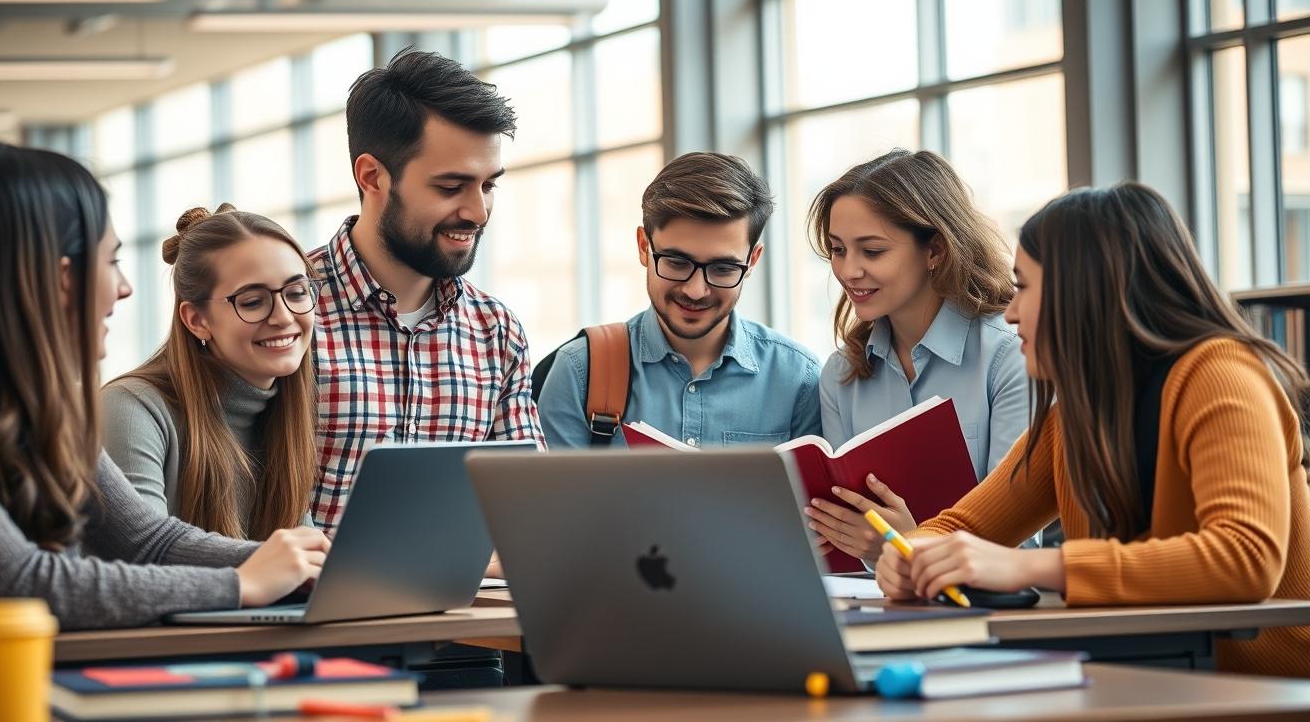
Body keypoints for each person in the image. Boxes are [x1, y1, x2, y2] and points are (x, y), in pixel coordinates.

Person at [876, 182, 1310, 678]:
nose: (1011, 313)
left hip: (1268, 690)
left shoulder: (1220, 375)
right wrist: (912, 557)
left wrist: (1030, 567)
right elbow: (961, 528)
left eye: (1024, 287)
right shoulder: (1073, 419)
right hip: (1150, 678)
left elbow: (1244, 558)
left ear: (1083, 290)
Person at [0, 140, 329, 629]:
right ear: (63, 278)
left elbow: (146, 541)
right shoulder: (121, 405)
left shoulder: (42, 413)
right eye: (111, 262)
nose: (124, 288)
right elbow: (20, 582)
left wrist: (298, 564)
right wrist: (239, 584)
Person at [308, 48, 544, 533]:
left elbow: (528, 512)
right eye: (451, 187)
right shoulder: (287, 312)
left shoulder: (496, 331)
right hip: (309, 583)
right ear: (372, 177)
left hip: (463, 585)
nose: (477, 212)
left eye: (488, 185)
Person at [802, 149, 1030, 567]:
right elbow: (847, 545)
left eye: (872, 251)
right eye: (837, 249)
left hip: (984, 603)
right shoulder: (841, 374)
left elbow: (1020, 542)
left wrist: (910, 543)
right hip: (878, 600)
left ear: (935, 251)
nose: (848, 271)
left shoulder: (1010, 355)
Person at [537, 152, 820, 448]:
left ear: (752, 261)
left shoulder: (799, 380)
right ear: (644, 246)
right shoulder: (578, 372)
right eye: (676, 262)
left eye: (723, 268)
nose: (696, 290)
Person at [103, 204, 317, 540]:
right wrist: (285, 559)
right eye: (252, 301)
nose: (284, 317)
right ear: (197, 320)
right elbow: (142, 553)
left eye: (297, 293)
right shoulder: (129, 408)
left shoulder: (283, 414)